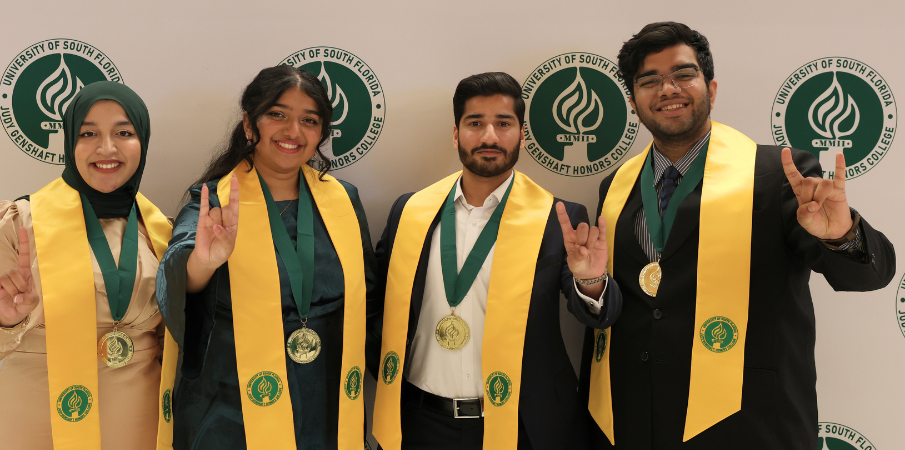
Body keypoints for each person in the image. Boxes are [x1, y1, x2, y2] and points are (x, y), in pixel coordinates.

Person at [579, 22, 897, 449]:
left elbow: (867, 277)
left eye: (683, 75)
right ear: (634, 104)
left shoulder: (778, 174)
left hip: (747, 424)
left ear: (711, 88)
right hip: (635, 420)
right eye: (649, 81)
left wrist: (841, 233)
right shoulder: (616, 186)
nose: (667, 89)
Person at [369, 72, 622, 450]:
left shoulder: (558, 218)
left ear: (521, 134)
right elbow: (373, 303)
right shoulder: (409, 211)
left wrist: (590, 281)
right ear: (456, 134)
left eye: (503, 124)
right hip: (422, 423)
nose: (490, 137)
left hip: (523, 423)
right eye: (475, 123)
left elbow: (598, 315)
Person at [156, 65, 376, 450]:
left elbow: (370, 295)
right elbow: (180, 274)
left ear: (322, 133)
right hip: (234, 396)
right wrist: (205, 263)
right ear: (249, 123)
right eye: (278, 115)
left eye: (309, 120)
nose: (293, 131)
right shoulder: (214, 201)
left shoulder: (344, 199)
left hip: (326, 394)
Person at [0, 81, 173, 450]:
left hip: (137, 418)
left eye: (123, 132)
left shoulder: (161, 231)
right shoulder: (19, 221)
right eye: (89, 133)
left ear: (142, 141)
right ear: (69, 141)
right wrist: (6, 318)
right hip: (37, 416)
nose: (107, 148)